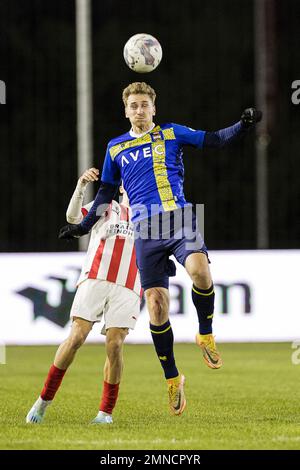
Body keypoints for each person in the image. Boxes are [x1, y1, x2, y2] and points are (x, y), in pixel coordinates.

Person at [59, 82, 262, 416]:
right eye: (133, 105)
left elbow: (213, 139)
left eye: (144, 104)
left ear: (154, 108)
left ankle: (206, 334)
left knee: (200, 272)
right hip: (145, 230)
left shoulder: (171, 132)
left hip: (179, 219)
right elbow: (106, 194)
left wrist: (244, 125)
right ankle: (173, 379)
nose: (139, 110)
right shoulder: (115, 148)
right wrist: (82, 227)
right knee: (156, 307)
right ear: (126, 111)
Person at [26, 168, 141, 424]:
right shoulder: (107, 206)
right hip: (96, 277)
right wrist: (80, 187)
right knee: (76, 337)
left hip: (129, 285)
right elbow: (73, 217)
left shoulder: (152, 216)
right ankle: (43, 402)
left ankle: (105, 413)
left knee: (115, 345)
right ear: (122, 187)